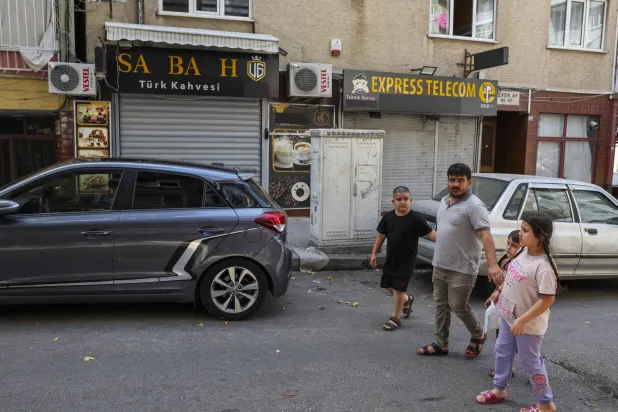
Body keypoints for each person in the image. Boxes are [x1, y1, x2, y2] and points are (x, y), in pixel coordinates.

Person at [475, 212, 560, 412]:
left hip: (527, 325)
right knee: (502, 352)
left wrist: (522, 320)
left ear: (541, 236)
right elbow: (512, 276)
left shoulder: (544, 267)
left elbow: (548, 299)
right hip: (507, 315)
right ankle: (499, 390)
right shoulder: (523, 252)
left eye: (525, 230)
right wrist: (499, 291)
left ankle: (546, 403)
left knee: (531, 364)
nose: (520, 234)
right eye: (521, 229)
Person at [417, 163, 502, 358]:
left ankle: (477, 333)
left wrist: (492, 264)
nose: (455, 184)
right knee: (440, 305)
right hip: (440, 264)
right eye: (452, 179)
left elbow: (486, 236)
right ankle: (441, 344)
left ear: (469, 182)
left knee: (457, 306)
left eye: (460, 180)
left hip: (462, 268)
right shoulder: (445, 201)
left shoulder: (474, 205)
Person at [370, 186, 436, 331]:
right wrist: (374, 253)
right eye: (399, 199)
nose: (403, 202)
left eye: (405, 199)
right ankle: (407, 300)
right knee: (388, 286)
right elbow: (381, 235)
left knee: (399, 288)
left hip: (407, 261)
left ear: (410, 200)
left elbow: (431, 234)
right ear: (393, 202)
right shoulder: (388, 217)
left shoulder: (416, 218)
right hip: (391, 258)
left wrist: (448, 239)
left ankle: (395, 318)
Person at [486, 230, 522, 378]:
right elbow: (504, 283)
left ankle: (536, 371)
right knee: (502, 338)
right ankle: (506, 368)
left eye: (513, 245)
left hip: (519, 312)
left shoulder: (522, 265)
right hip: (504, 309)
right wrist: (496, 293)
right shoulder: (507, 261)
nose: (508, 248)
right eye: (508, 243)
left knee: (524, 345)